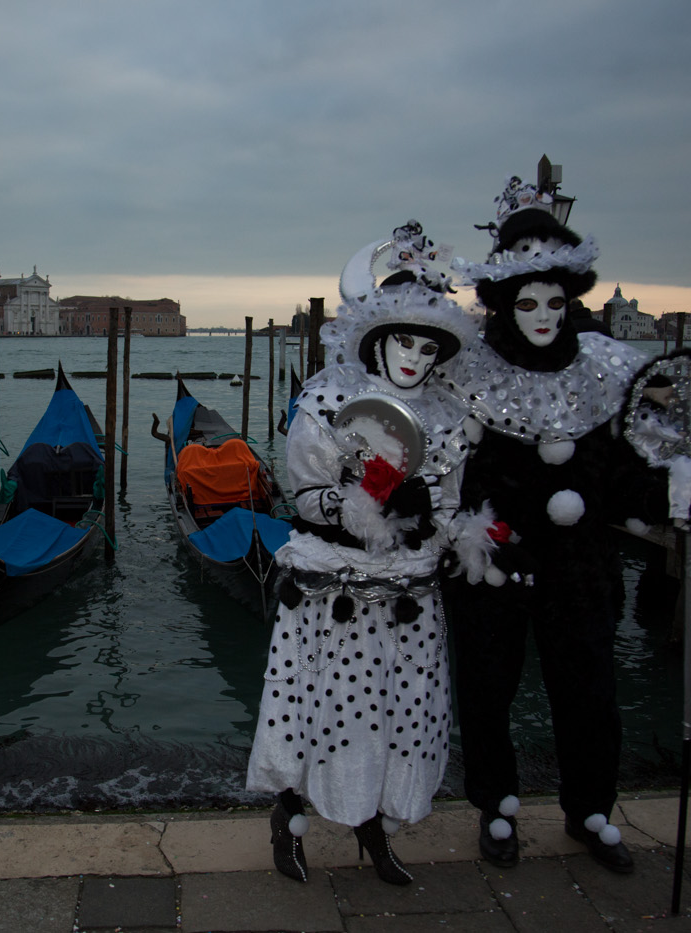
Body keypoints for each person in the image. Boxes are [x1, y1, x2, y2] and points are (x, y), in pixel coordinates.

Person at [436, 178, 673, 875]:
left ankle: (591, 809)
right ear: (505, 303)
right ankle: (498, 805)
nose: (542, 314)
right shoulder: (470, 373)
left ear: (572, 302)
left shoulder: (606, 371)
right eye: (527, 302)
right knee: (487, 684)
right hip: (496, 560)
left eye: (554, 302)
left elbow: (629, 466)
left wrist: (665, 484)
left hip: (580, 561)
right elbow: (448, 462)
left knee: (591, 686)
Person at [246, 220, 479, 885]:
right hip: (336, 587)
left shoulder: (444, 414)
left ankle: (373, 829)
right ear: (378, 339)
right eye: (403, 341)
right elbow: (305, 491)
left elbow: (451, 500)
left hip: (407, 591)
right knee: (313, 707)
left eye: (427, 346)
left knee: (393, 715)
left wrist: (428, 516)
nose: (414, 357)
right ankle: (288, 824)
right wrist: (359, 505)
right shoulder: (326, 397)